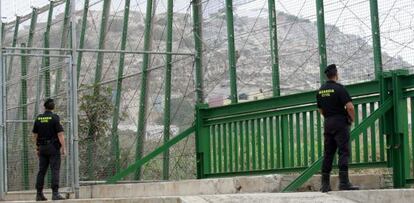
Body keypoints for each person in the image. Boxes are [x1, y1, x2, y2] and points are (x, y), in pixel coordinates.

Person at [316, 64, 359, 192]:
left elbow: (321, 110)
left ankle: (325, 185)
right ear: (336, 74)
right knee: (343, 151)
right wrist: (352, 119)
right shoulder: (339, 88)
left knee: (328, 153)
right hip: (340, 122)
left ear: (326, 75)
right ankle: (344, 183)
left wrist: (328, 117)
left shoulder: (320, 90)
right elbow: (350, 107)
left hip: (328, 123)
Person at [32, 98, 66, 201]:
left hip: (42, 148)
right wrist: (63, 148)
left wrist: (37, 147)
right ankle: (55, 193)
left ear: (44, 107)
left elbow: (34, 135)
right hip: (53, 148)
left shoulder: (39, 118)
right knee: (55, 170)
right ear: (53, 107)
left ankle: (39, 194)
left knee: (42, 171)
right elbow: (60, 134)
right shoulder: (55, 118)